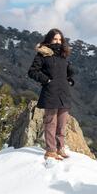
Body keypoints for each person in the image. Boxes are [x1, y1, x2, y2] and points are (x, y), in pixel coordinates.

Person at [28, 28, 75, 161]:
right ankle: (51, 150)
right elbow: (32, 71)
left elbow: (67, 73)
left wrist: (70, 80)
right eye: (55, 39)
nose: (58, 42)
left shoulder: (63, 55)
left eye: (60, 39)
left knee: (62, 124)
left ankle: (60, 148)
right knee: (50, 123)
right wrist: (46, 80)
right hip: (50, 93)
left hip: (64, 93)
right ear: (49, 39)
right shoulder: (42, 55)